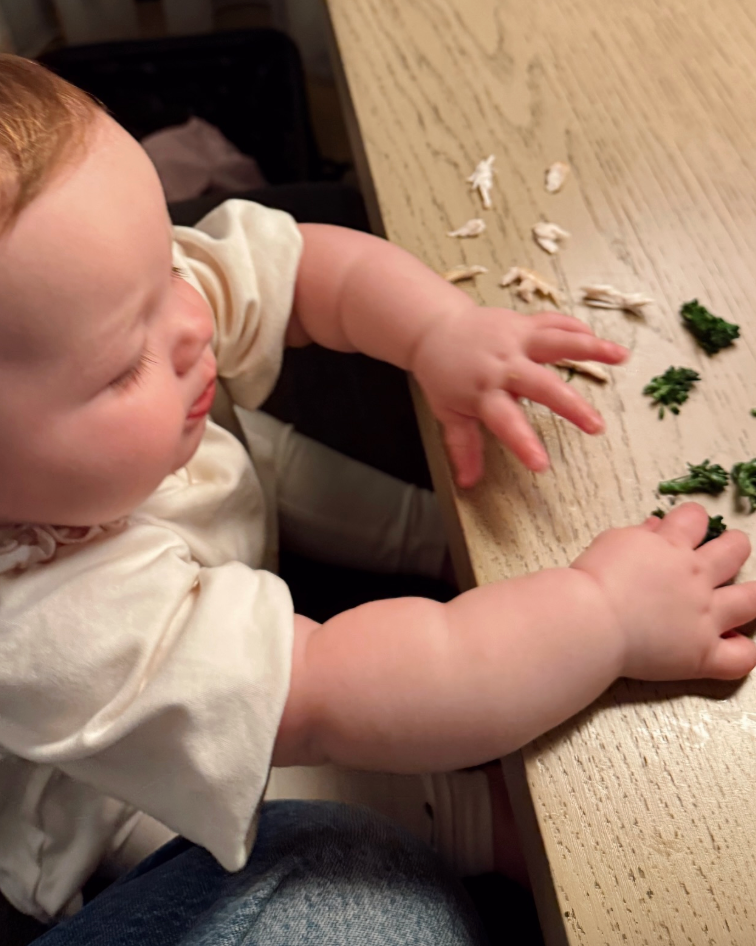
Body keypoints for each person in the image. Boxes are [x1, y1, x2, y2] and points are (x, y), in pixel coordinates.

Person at [1, 53, 755, 944]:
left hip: (202, 535)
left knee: (252, 453)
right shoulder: (57, 630)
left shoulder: (117, 306)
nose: (193, 318)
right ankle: (478, 826)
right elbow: (340, 693)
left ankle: (421, 536)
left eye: (166, 259)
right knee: (281, 813)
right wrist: (603, 614)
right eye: (126, 361)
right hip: (127, 791)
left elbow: (306, 268)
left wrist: (441, 328)